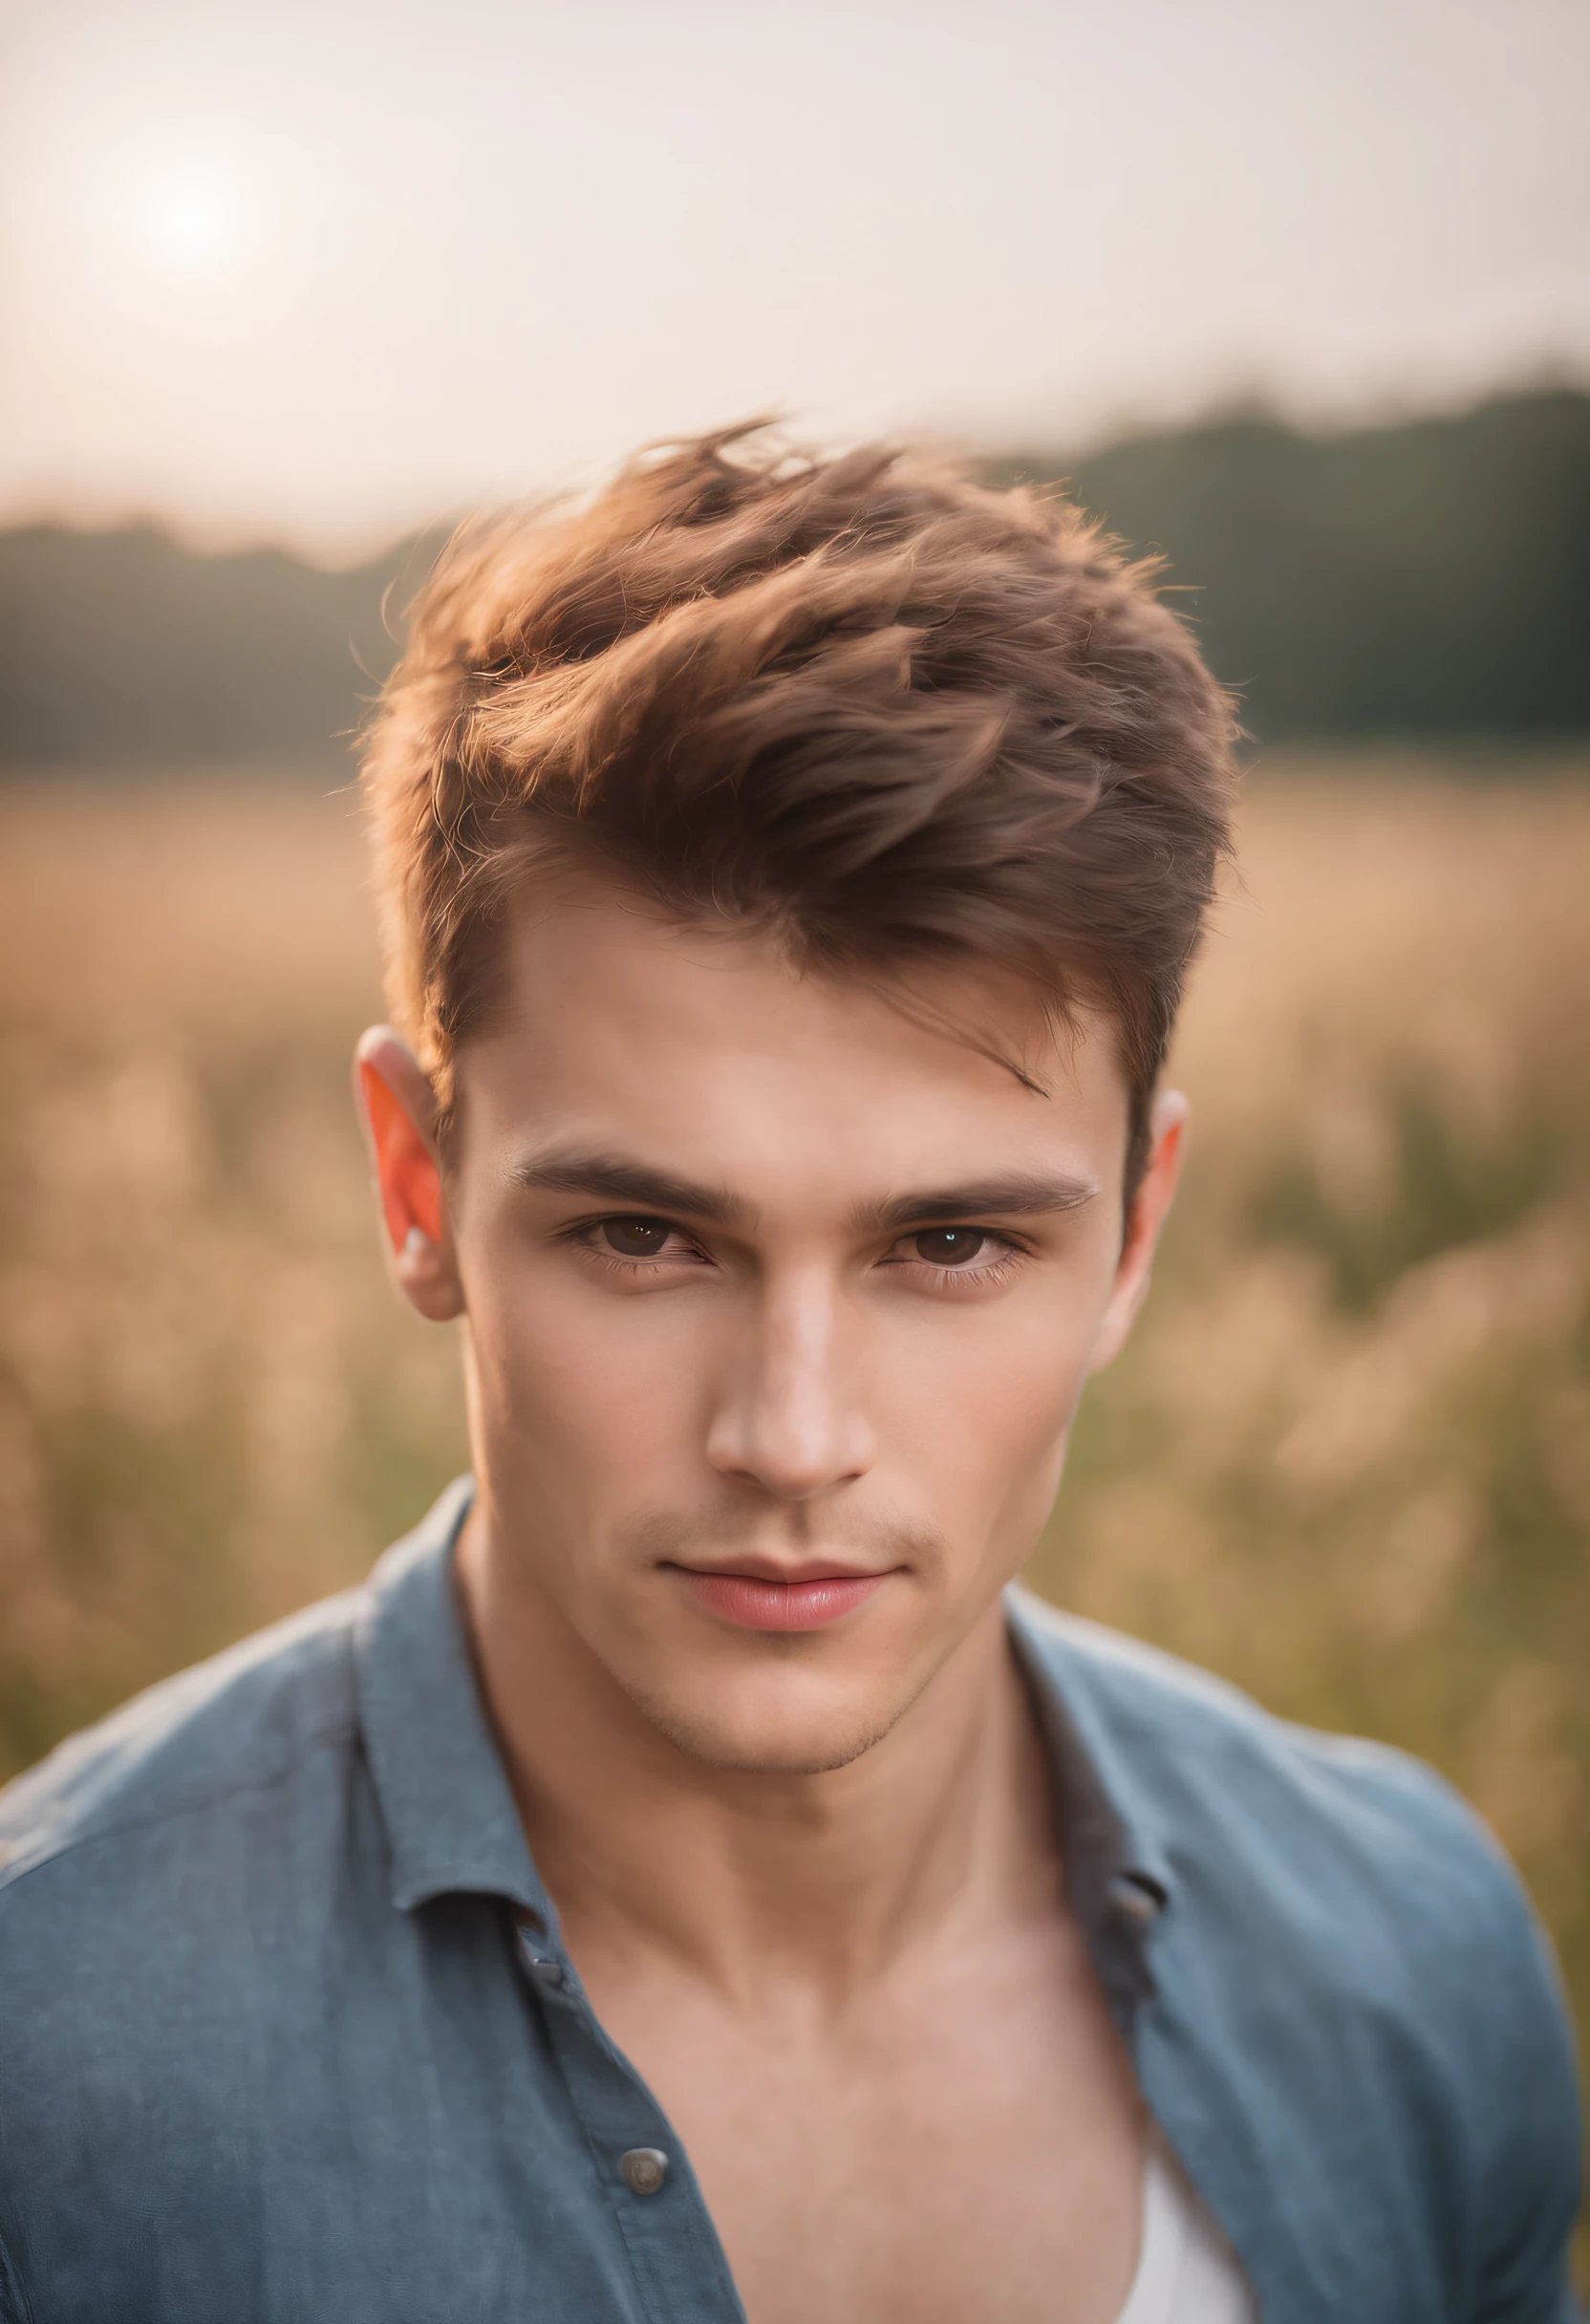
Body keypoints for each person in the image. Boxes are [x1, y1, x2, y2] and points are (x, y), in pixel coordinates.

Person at [0, 429, 1579, 2324]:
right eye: (645, 1237)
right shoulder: (47, 2060)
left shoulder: (1411, 1953)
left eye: (949, 1245)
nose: (792, 1436)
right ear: (416, 1183)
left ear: (1135, 1235)